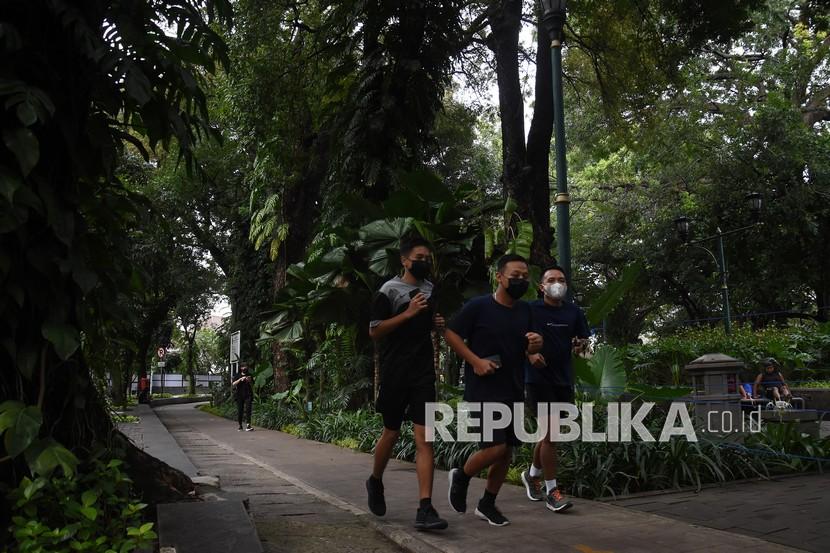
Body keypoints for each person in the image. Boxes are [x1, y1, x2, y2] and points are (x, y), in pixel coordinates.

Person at [444, 254, 543, 527]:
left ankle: (487, 503)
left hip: (512, 388)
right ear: (499, 277)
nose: (521, 280)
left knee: (508, 450)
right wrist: (475, 361)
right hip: (484, 389)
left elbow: (530, 346)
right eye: (515, 276)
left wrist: (535, 348)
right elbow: (451, 333)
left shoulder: (526, 311)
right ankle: (461, 476)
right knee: (495, 447)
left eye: (525, 276)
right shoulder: (478, 307)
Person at [365, 235, 448, 531]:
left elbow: (427, 324)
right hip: (395, 371)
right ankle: (375, 481)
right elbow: (375, 330)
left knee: (424, 439)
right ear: (404, 260)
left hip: (423, 372)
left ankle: (425, 508)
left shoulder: (431, 288)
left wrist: (435, 324)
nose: (424, 262)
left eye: (428, 258)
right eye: (419, 258)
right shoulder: (388, 291)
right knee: (391, 431)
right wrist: (408, 312)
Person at [520, 265, 588, 514]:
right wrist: (529, 355)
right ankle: (552, 491)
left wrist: (580, 345)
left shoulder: (574, 312)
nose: (556, 283)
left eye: (561, 279)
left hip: (563, 380)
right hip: (537, 380)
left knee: (548, 436)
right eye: (551, 279)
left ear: (566, 285)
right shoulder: (530, 309)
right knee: (551, 436)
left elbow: (582, 340)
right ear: (542, 286)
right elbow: (514, 337)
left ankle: (531, 474)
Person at [232, 364, 254, 431]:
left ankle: (248, 425)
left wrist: (249, 380)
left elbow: (253, 383)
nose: (245, 368)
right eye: (243, 367)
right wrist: (240, 379)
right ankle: (240, 425)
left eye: (246, 366)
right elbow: (233, 384)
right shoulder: (237, 375)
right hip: (239, 395)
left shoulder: (249, 374)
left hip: (248, 394)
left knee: (248, 410)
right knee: (240, 410)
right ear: (241, 368)